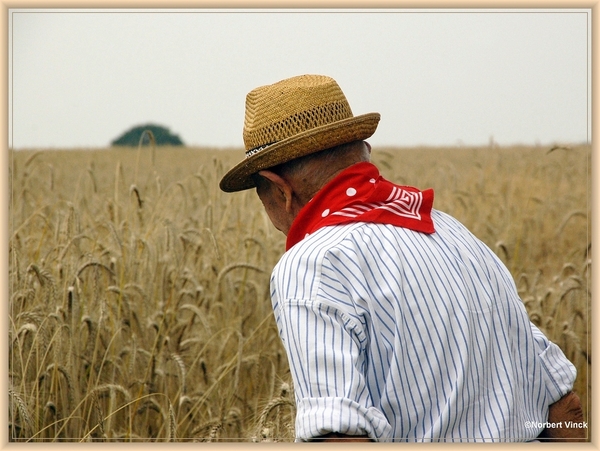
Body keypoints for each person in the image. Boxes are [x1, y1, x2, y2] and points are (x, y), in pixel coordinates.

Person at [219, 74, 585, 442]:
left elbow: (338, 438)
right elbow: (563, 407)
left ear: (279, 190)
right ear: (365, 155)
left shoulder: (312, 265)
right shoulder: (456, 233)